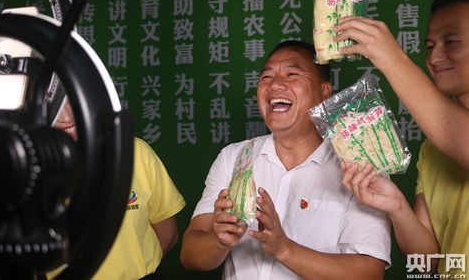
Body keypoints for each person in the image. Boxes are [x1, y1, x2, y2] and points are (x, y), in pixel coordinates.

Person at [180, 40, 391, 280]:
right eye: (266, 77)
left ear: (325, 91)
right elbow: (190, 256)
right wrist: (219, 240)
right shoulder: (235, 157)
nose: (275, 85)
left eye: (292, 74)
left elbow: (369, 273)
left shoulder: (358, 165)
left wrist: (284, 249)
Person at [334, 0, 469, 276]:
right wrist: (395, 205)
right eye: (430, 45)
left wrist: (390, 57)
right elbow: (427, 263)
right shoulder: (432, 149)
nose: (435, 57)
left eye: (452, 41)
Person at [50, 99, 186, 280]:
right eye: (52, 101)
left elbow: (168, 233)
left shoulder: (134, 151)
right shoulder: (23, 167)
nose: (65, 117)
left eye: (69, 100)